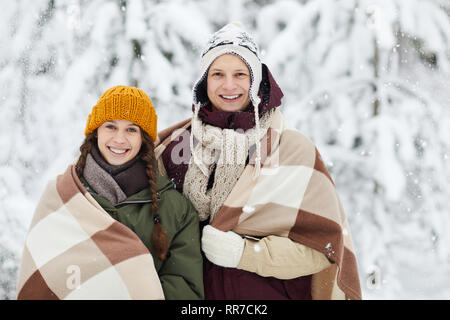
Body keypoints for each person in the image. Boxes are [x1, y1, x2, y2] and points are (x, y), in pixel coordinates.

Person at [155, 22, 362, 300]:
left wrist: (247, 255)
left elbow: (324, 250)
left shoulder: (292, 150)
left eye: (240, 74)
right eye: (218, 74)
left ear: (256, 79)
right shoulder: (174, 149)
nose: (229, 85)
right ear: (204, 82)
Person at [17, 85, 204, 300]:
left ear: (144, 138)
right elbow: (42, 277)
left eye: (131, 129)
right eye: (111, 127)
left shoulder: (176, 209)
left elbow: (185, 290)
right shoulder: (61, 195)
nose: (119, 139)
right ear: (96, 131)